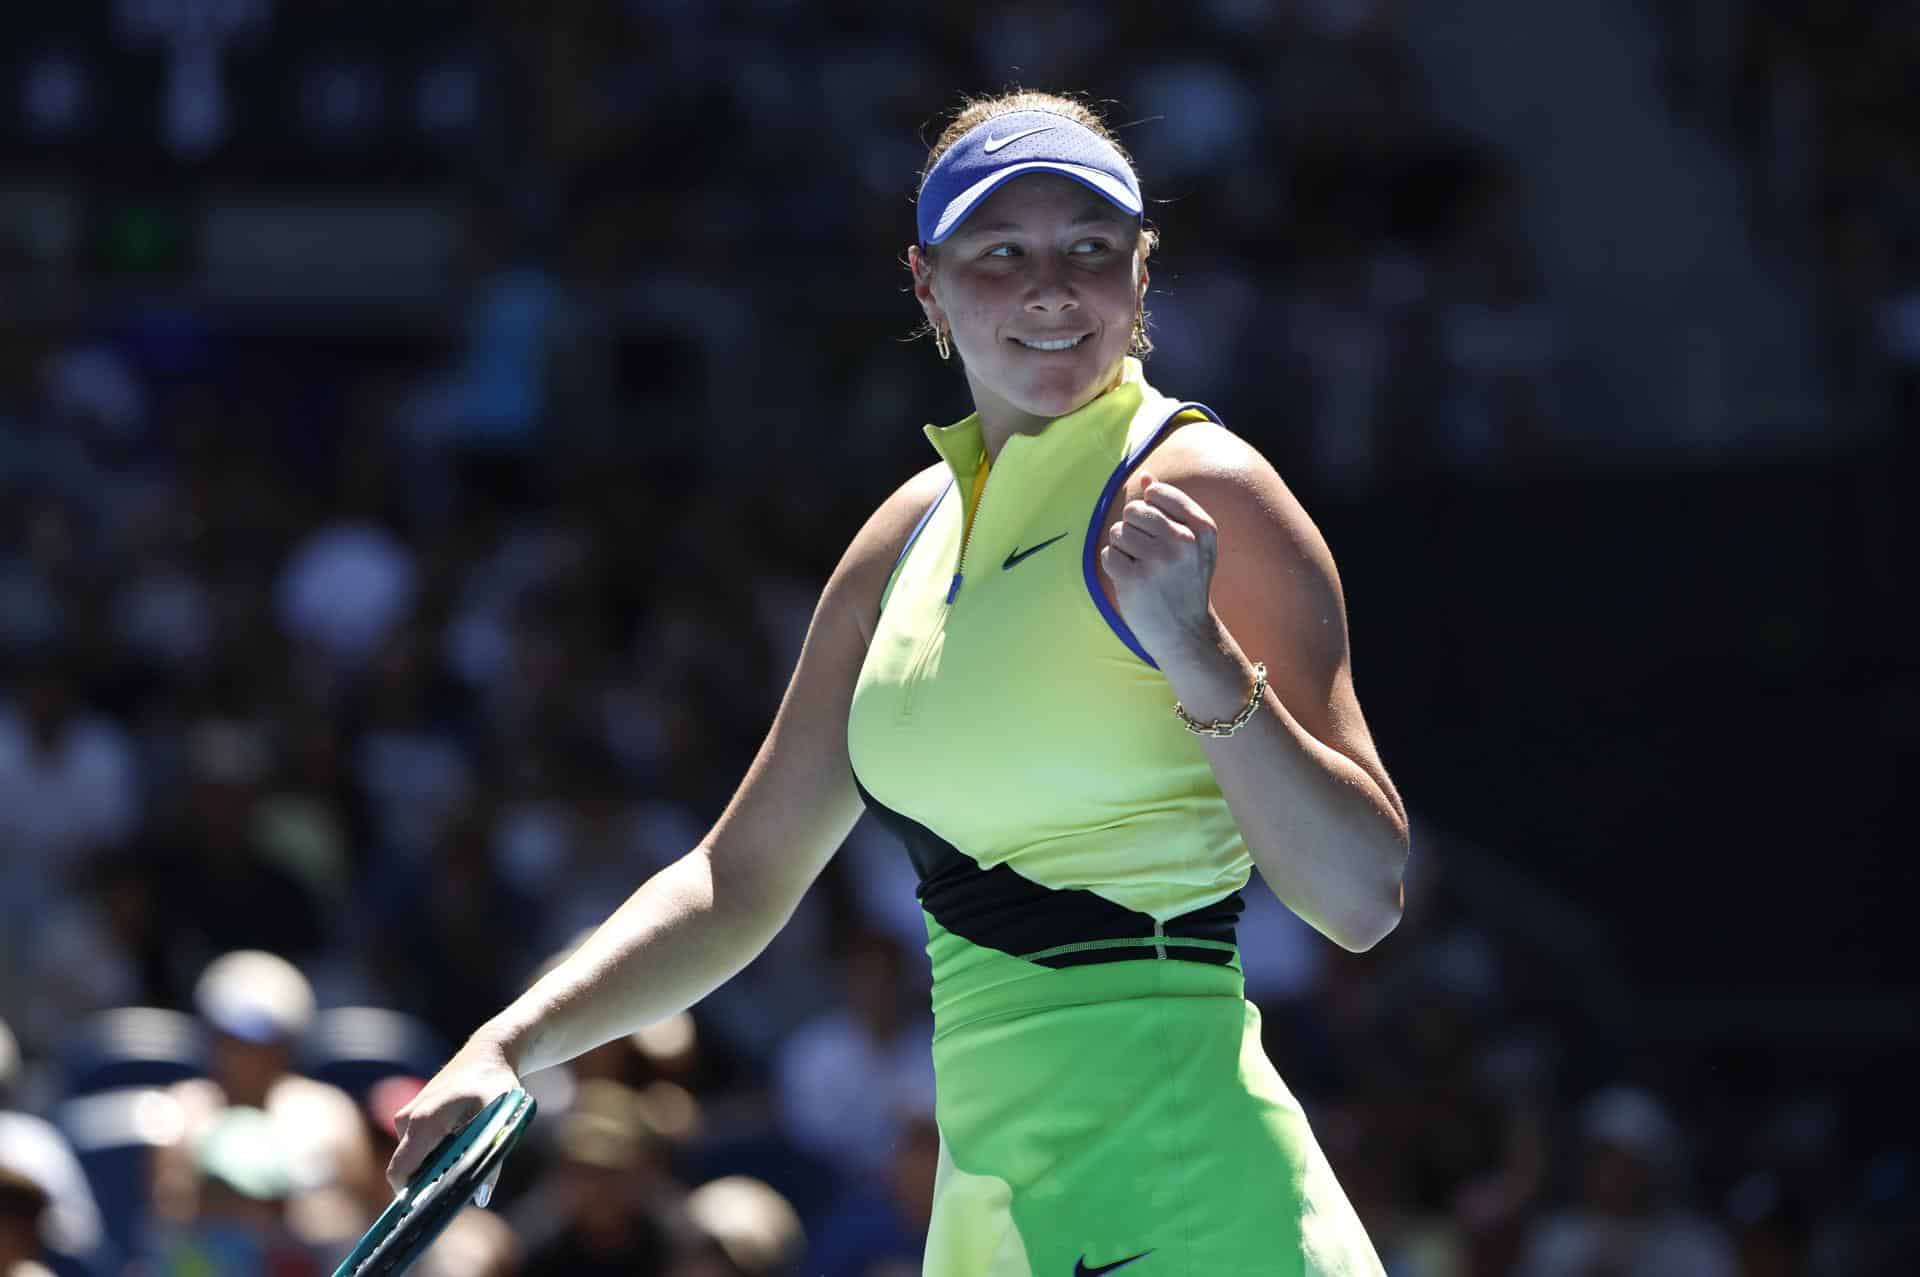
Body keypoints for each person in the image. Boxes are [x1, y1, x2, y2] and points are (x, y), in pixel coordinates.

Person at [389, 88, 1410, 1276]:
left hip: (1192, 1190)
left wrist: (1200, 654)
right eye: (1000, 252)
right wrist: (510, 1044)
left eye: (1090, 247)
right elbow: (739, 874)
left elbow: (1361, 895)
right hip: (990, 1207)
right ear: (927, 285)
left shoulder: (1208, 489)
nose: (1050, 289)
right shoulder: (905, 534)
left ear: (1142, 272)